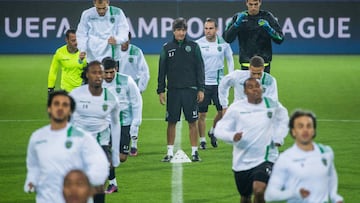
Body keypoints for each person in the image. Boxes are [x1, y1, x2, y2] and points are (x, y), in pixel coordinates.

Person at [24, 90, 109, 203]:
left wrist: (88, 184)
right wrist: (31, 181)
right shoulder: (37, 138)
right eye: (56, 104)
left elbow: (100, 164)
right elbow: (33, 166)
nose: (60, 108)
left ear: (70, 111)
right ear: (49, 108)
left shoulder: (83, 138)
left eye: (65, 105)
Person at [214, 78, 289, 203]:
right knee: (245, 196)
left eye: (257, 86)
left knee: (259, 190)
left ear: (262, 89)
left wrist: (278, 137)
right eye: (251, 87)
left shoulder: (271, 104)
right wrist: (232, 136)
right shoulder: (236, 108)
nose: (255, 89)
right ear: (245, 91)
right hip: (242, 161)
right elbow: (219, 129)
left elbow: (283, 119)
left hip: (265, 158)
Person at [265, 110, 344, 203]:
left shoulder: (326, 152)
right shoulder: (285, 159)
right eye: (300, 126)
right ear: (293, 131)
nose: (305, 130)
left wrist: (335, 197)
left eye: (309, 126)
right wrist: (295, 193)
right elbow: (270, 194)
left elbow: (331, 177)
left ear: (314, 130)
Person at [69, 61, 121, 203]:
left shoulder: (111, 98)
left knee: (98, 183)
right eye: (94, 72)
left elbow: (116, 124)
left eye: (100, 72)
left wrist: (115, 153)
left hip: (101, 144)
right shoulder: (75, 95)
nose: (98, 76)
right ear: (87, 75)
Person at [157, 17, 205, 162]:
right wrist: (161, 90)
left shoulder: (194, 46)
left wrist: (201, 89)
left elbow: (200, 69)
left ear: (186, 31)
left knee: (192, 121)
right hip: (173, 91)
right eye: (178, 30)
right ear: (174, 31)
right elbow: (161, 71)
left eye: (183, 30)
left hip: (190, 91)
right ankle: (170, 152)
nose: (181, 33)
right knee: (171, 122)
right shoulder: (167, 48)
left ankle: (195, 152)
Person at [101, 57, 142, 193]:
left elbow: (137, 102)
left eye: (111, 72)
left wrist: (136, 123)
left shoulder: (127, 81)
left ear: (116, 69)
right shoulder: (97, 82)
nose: (108, 76)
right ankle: (112, 183)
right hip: (105, 124)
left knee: (122, 157)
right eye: (106, 73)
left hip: (124, 123)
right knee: (106, 155)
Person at [195, 18, 234, 150]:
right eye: (206, 28)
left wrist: (231, 77)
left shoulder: (223, 43)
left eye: (211, 28)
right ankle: (202, 140)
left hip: (219, 84)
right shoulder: (198, 44)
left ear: (216, 29)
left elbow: (230, 60)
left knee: (223, 112)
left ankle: (212, 131)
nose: (208, 31)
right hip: (203, 84)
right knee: (202, 114)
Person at [222, 0, 284, 73]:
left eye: (256, 4)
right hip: (246, 64)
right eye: (251, 4)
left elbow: (280, 39)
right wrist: (236, 25)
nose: (253, 7)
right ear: (246, 3)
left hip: (263, 64)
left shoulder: (267, 16)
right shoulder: (239, 17)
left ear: (260, 3)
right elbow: (227, 39)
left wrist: (269, 29)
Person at [117, 32, 150, 155]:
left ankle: (134, 144)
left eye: (127, 41)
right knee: (119, 116)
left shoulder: (136, 52)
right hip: (117, 90)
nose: (124, 43)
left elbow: (144, 72)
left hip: (133, 90)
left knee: (135, 116)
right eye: (122, 41)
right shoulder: (113, 52)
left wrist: (140, 89)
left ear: (130, 40)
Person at [47, 29, 87, 93]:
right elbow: (53, 70)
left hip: (81, 89)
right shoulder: (60, 52)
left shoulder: (84, 51)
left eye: (77, 40)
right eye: (73, 40)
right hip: (66, 90)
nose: (76, 42)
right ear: (67, 40)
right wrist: (50, 88)